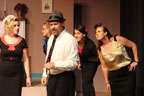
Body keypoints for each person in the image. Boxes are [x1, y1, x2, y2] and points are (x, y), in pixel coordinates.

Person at [95, 23, 138, 96]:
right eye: (95, 32)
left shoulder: (117, 39)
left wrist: (136, 61)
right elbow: (104, 66)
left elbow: (133, 45)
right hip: (114, 77)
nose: (96, 34)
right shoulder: (100, 48)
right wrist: (107, 82)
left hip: (127, 73)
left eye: (99, 31)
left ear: (105, 33)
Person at [42, 11, 79, 96]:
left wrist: (55, 64)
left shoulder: (70, 40)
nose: (53, 27)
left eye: (55, 24)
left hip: (65, 79)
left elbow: (74, 63)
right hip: (52, 78)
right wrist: (45, 73)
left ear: (62, 23)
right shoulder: (51, 38)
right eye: (51, 25)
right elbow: (48, 57)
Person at [0, 15, 31, 96]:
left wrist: (28, 77)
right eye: (15, 25)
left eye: (18, 25)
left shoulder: (22, 41)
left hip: (17, 75)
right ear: (9, 27)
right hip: (2, 74)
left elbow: (26, 60)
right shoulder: (0, 41)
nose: (17, 27)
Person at [74, 25, 100, 96]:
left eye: (78, 33)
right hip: (84, 62)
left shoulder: (90, 45)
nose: (76, 35)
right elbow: (78, 54)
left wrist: (88, 59)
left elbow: (98, 57)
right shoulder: (75, 42)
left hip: (92, 63)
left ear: (84, 35)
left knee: (86, 82)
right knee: (84, 83)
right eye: (75, 33)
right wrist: (79, 62)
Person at [41, 21, 52, 86]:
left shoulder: (54, 40)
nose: (42, 31)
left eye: (43, 29)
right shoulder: (45, 40)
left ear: (49, 29)